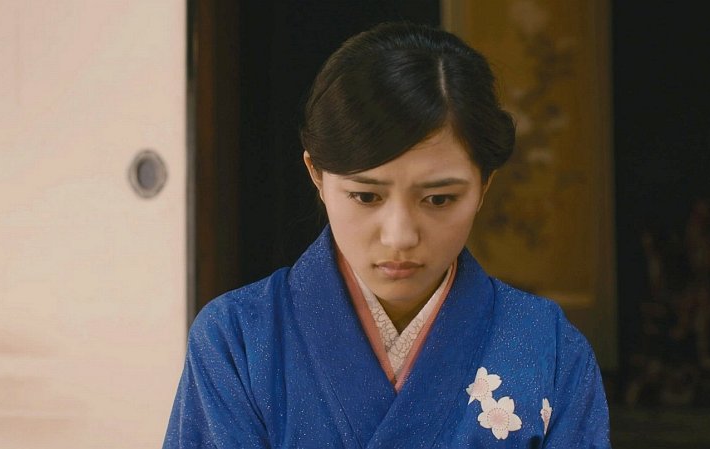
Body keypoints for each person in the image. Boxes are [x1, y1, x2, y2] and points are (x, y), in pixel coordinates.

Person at [163, 22, 611, 448]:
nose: (399, 237)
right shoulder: (237, 340)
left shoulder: (550, 347)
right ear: (316, 175)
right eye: (366, 196)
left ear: (484, 186)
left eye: (438, 199)